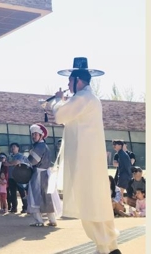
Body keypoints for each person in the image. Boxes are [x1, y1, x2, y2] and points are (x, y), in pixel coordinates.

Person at [49, 57, 120, 254]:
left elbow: (60, 116)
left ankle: (104, 248)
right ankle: (110, 246)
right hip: (91, 161)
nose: (68, 85)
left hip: (84, 162)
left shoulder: (82, 98)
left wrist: (57, 101)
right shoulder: (91, 98)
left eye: (70, 81)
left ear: (78, 80)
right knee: (97, 203)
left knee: (89, 205)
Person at [26, 123, 58, 227]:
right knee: (47, 197)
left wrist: (24, 160)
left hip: (38, 174)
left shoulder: (39, 146)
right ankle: (52, 220)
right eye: (33, 134)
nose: (34, 136)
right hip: (46, 173)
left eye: (36, 134)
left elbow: (33, 161)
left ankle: (39, 221)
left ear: (41, 135)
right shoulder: (44, 145)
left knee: (34, 196)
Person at [2, 143, 29, 213]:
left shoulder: (20, 155)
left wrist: (9, 163)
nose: (13, 148)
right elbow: (5, 163)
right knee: (12, 193)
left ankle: (25, 207)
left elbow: (17, 162)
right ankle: (14, 207)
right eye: (12, 147)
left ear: (18, 148)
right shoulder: (9, 156)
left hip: (19, 176)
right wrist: (11, 163)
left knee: (22, 192)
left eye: (14, 146)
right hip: (11, 177)